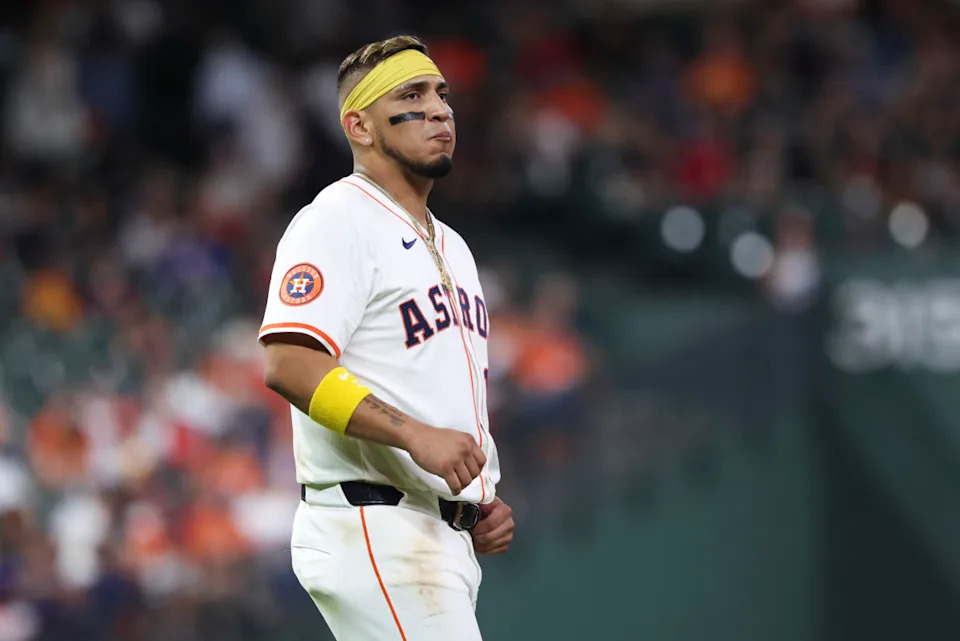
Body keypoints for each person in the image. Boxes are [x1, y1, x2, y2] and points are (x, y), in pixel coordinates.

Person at [258, 35, 514, 640]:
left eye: (442, 95)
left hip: (432, 537)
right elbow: (288, 364)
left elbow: (427, 384)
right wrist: (415, 436)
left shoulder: (453, 245)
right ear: (360, 127)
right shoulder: (337, 219)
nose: (440, 110)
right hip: (373, 523)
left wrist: (473, 501)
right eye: (412, 95)